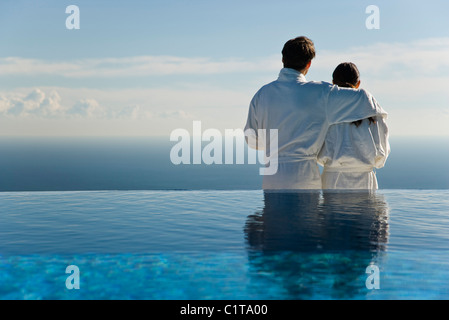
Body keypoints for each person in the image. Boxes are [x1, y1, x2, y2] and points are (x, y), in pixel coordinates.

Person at [244, 36, 387, 190]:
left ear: (283, 59)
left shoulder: (262, 95)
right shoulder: (320, 93)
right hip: (304, 178)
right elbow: (361, 98)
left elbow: (252, 140)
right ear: (309, 64)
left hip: (272, 178)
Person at [317, 62, 390, 190]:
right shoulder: (371, 106)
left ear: (333, 82)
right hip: (364, 179)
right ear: (358, 83)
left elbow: (316, 143)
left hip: (332, 178)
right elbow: (382, 146)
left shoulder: (325, 107)